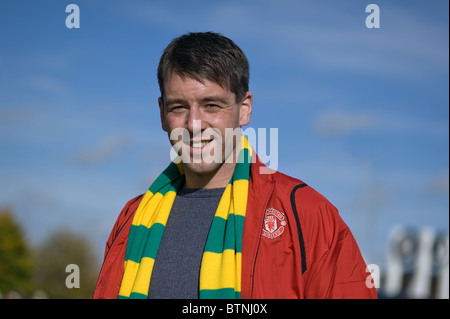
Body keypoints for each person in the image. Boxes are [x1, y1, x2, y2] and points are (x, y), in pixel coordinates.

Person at [93, 32, 377, 299]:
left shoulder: (307, 214)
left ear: (244, 109)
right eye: (179, 107)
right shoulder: (131, 220)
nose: (194, 124)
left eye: (212, 106)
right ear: (162, 114)